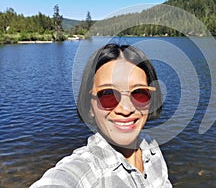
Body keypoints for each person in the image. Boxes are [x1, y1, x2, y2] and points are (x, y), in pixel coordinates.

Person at [30, 43, 172, 188]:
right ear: (90, 106)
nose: (126, 109)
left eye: (139, 93)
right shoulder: (87, 170)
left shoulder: (150, 146)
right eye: (108, 94)